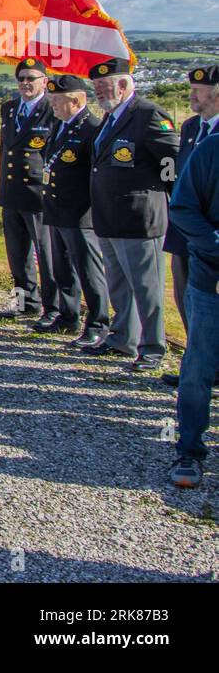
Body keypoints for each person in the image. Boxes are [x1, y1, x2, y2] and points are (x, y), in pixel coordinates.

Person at [84, 58, 180, 373]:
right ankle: (122, 338)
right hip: (110, 217)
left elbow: (173, 163)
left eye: (104, 86)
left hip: (139, 218)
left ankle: (152, 347)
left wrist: (155, 194)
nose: (99, 92)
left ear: (124, 85)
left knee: (146, 287)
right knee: (119, 284)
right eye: (96, 87)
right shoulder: (110, 119)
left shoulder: (147, 115)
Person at [39, 75, 109, 348]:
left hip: (80, 212)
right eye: (52, 100)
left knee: (89, 271)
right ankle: (68, 316)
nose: (53, 105)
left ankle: (98, 323)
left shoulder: (91, 128)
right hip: (57, 209)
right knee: (63, 269)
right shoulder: (60, 126)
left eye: (57, 100)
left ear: (77, 100)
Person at [166, 126, 219, 487]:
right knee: (199, 366)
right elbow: (182, 208)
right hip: (211, 278)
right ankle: (189, 450)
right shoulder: (211, 150)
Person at [160, 65, 219, 386]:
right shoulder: (192, 127)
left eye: (199, 89)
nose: (192, 94)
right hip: (185, 231)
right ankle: (198, 364)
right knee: (186, 298)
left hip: (211, 234)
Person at [0, 59, 59, 325]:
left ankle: (53, 308)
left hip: (38, 194)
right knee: (17, 256)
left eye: (31, 78)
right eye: (21, 78)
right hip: (12, 193)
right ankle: (24, 304)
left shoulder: (51, 109)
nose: (25, 83)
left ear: (44, 81)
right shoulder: (10, 109)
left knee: (47, 256)